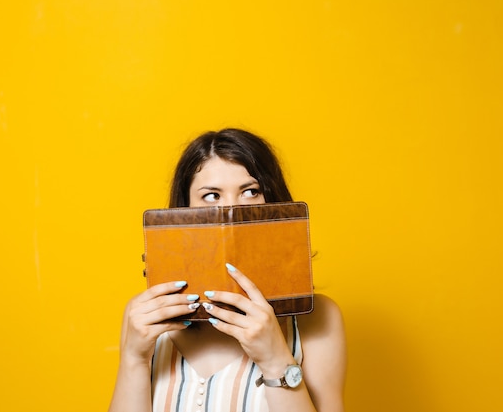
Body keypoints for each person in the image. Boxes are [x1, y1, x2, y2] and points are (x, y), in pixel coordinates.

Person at [109, 128, 346, 412]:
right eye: (211, 196)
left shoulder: (316, 320)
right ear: (184, 211)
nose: (232, 208)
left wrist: (274, 359)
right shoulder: (145, 318)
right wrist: (134, 359)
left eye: (251, 191)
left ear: (273, 202)